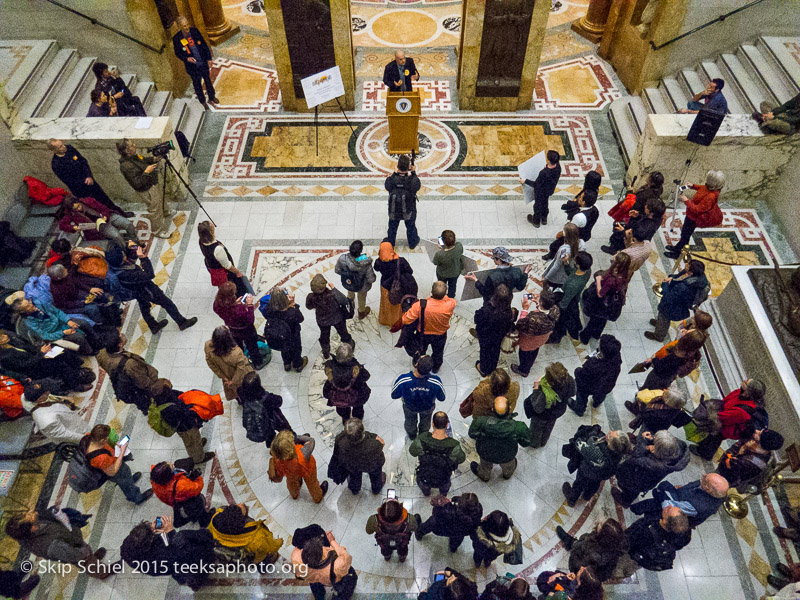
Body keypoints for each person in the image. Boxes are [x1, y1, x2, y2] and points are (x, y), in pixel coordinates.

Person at [107, 243, 197, 334]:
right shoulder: (125, 274)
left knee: (144, 307)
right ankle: (182, 322)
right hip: (146, 289)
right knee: (166, 303)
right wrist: (143, 258)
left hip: (137, 291)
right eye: (123, 257)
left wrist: (136, 248)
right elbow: (149, 275)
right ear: (120, 261)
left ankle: (153, 326)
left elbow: (130, 260)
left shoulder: (115, 267)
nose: (125, 256)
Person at [5, 508, 114, 579]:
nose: (33, 512)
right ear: (31, 528)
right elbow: (75, 555)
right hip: (75, 551)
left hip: (69, 539)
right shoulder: (49, 546)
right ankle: (102, 573)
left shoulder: (27, 531)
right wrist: (86, 553)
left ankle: (93, 560)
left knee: (86, 556)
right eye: (30, 516)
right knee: (85, 561)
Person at [120, 517, 216, 591]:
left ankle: (187, 582)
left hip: (165, 569)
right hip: (181, 565)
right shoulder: (162, 556)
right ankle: (196, 584)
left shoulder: (127, 545)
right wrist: (171, 532)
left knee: (180, 575)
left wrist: (151, 530)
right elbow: (181, 553)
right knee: (194, 574)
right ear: (150, 542)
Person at [48, 139, 132, 216]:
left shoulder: (69, 148)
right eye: (60, 147)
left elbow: (83, 162)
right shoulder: (56, 164)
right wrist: (84, 181)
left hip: (90, 182)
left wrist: (89, 176)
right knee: (94, 206)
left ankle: (120, 213)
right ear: (54, 150)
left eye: (63, 144)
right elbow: (69, 181)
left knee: (104, 199)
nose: (64, 147)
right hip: (80, 189)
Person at [691, 378, 768, 460]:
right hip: (726, 418)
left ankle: (705, 453)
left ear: (748, 391)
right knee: (713, 437)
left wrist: (709, 414)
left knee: (715, 438)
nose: (744, 380)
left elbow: (725, 418)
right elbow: (726, 401)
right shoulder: (740, 392)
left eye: (746, 382)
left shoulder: (744, 410)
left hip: (730, 428)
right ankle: (703, 448)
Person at [79, 423, 153, 504]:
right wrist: (122, 452)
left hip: (110, 462)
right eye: (107, 437)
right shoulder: (101, 458)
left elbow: (105, 446)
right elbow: (112, 472)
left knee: (126, 478)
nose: (108, 438)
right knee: (125, 483)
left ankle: (130, 480)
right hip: (113, 469)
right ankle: (137, 498)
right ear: (102, 440)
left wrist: (116, 444)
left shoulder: (88, 437)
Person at [612, 430, 689, 507]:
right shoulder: (676, 448)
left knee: (630, 489)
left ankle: (625, 501)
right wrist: (651, 438)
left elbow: (635, 456)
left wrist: (642, 441)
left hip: (637, 479)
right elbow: (665, 444)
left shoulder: (652, 464)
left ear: (657, 450)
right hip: (649, 480)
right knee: (635, 490)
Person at [0, 330, 93, 394]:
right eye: (1, 338)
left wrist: (41, 350)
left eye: (3, 334)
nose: (5, 336)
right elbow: (25, 365)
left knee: (59, 350)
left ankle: (77, 370)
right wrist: (41, 354)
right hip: (32, 370)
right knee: (59, 364)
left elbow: (30, 348)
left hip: (37, 359)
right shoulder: (4, 357)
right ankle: (76, 386)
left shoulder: (12, 342)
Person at [117, 138, 173, 239]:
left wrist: (153, 159)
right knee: (154, 209)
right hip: (146, 189)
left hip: (151, 182)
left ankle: (165, 211)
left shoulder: (134, 156)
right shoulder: (126, 166)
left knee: (160, 198)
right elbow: (137, 183)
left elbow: (143, 160)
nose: (135, 145)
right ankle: (157, 231)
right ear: (127, 151)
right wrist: (147, 172)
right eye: (132, 145)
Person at [562, 426, 631, 507]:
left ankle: (572, 499)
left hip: (586, 471)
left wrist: (590, 433)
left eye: (610, 436)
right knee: (593, 485)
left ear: (610, 444)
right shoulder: (623, 455)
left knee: (579, 483)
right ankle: (586, 496)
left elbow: (578, 443)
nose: (609, 431)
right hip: (601, 475)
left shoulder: (596, 452)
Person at [150, 379, 216, 464]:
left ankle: (198, 445)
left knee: (195, 438)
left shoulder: (165, 396)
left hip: (187, 424)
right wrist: (196, 410)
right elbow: (185, 414)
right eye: (166, 383)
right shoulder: (168, 408)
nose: (169, 381)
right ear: (165, 391)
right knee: (191, 442)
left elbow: (182, 395)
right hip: (185, 428)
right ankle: (198, 458)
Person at [630, 473, 729, 528]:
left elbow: (669, 506)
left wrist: (660, 492)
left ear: (708, 489)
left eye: (705, 479)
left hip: (670, 512)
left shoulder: (698, 505)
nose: (703, 476)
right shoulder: (714, 491)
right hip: (679, 499)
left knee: (652, 510)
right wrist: (683, 489)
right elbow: (693, 485)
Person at [664, 170, 725, 259]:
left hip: (694, 218)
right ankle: (677, 247)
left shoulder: (711, 197)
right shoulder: (710, 188)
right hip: (690, 215)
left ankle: (678, 254)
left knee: (685, 236)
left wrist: (686, 200)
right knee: (684, 234)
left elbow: (697, 210)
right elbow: (703, 188)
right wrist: (693, 186)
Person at [469, 396, 531, 481]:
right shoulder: (519, 427)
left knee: (485, 466)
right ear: (509, 408)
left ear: (492, 409)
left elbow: (472, 434)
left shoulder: (480, 421)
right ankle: (507, 474)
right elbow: (526, 442)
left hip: (486, 452)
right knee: (509, 466)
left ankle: (485, 476)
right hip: (507, 455)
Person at [645, 259, 710, 341]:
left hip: (673, 305)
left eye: (688, 265)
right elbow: (679, 278)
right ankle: (659, 324)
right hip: (680, 301)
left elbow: (668, 296)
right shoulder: (699, 277)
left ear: (691, 272)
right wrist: (672, 278)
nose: (686, 264)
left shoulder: (684, 287)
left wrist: (665, 284)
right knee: (663, 318)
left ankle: (659, 335)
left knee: (664, 316)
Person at [97, 330, 160, 414]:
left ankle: (144, 409)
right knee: (146, 401)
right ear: (119, 344)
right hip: (136, 389)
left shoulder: (101, 353)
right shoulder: (130, 364)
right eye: (121, 335)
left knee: (139, 402)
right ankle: (149, 410)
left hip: (125, 386)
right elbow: (144, 382)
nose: (123, 335)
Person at [11, 297, 98, 356]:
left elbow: (57, 312)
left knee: (83, 323)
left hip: (62, 322)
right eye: (28, 306)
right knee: (78, 337)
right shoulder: (30, 323)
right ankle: (89, 352)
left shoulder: (39, 303)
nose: (32, 304)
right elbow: (45, 336)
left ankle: (95, 340)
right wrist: (63, 332)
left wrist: (68, 321)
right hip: (56, 334)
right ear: (23, 311)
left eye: (29, 302)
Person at [402, 281, 456, 373]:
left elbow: (405, 319)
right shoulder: (450, 304)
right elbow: (449, 299)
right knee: (438, 352)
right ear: (445, 293)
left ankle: (419, 363)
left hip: (423, 334)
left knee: (421, 350)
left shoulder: (420, 305)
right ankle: (435, 367)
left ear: (431, 291)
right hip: (440, 334)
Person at [604, 174, 665, 254]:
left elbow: (634, 234)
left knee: (618, 226)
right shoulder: (655, 216)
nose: (645, 206)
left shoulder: (646, 225)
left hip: (633, 232)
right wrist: (639, 214)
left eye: (646, 207)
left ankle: (614, 248)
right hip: (637, 218)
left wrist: (623, 231)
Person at [213, 280, 268, 369]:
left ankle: (241, 358)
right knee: (252, 346)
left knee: (238, 345)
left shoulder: (216, 305)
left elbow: (228, 312)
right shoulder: (239, 310)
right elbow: (250, 320)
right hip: (247, 331)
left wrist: (236, 303)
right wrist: (249, 305)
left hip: (232, 330)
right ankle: (257, 362)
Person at [579, 252, 631, 344]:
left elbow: (600, 293)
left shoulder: (611, 280)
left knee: (594, 320)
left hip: (601, 303)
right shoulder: (625, 274)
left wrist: (598, 280)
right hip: (611, 304)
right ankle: (596, 334)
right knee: (602, 321)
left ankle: (585, 336)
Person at [409, 411, 465, 496]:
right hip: (443, 477)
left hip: (425, 475)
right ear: (446, 425)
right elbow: (461, 459)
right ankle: (443, 494)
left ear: (432, 424)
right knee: (444, 487)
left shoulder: (422, 438)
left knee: (424, 485)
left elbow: (412, 452)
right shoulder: (454, 445)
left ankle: (426, 493)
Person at [555, 518, 628, 582]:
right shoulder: (614, 545)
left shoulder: (593, 551)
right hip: (589, 565)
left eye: (603, 524)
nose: (601, 521)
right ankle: (571, 542)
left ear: (602, 534)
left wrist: (578, 574)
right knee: (577, 544)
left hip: (578, 567)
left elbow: (579, 559)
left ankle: (569, 543)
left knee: (575, 546)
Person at [291, 530, 357, 600]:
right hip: (332, 578)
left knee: (315, 585)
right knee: (351, 576)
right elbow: (346, 556)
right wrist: (332, 541)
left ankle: (319, 597)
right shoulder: (338, 565)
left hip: (313, 577)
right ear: (321, 552)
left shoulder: (295, 557)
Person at [47, 264, 120, 326]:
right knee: (92, 308)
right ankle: (102, 324)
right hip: (69, 306)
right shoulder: (57, 290)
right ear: (59, 278)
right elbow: (66, 304)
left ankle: (114, 312)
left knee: (99, 294)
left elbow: (76, 281)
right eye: (64, 271)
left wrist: (90, 289)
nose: (66, 270)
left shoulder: (65, 275)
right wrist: (83, 303)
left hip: (76, 294)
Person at [391, 355, 446, 439]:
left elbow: (394, 395)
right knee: (425, 423)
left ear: (416, 364)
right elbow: (442, 398)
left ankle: (412, 436)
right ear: (430, 370)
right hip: (427, 408)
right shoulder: (436, 382)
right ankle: (423, 436)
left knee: (410, 422)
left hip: (409, 407)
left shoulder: (403, 380)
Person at [208, 503, 283, 564]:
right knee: (264, 560)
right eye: (240, 510)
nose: (240, 504)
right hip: (248, 557)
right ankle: (263, 568)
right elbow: (265, 551)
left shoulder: (215, 518)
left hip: (230, 551)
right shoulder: (258, 537)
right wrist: (279, 542)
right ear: (242, 522)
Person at [523, 362, 575, 448]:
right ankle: (543, 442)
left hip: (542, 415)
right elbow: (573, 393)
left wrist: (536, 388)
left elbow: (537, 408)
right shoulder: (570, 381)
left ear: (551, 383)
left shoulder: (544, 393)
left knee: (536, 430)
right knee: (549, 427)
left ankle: (534, 444)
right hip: (557, 411)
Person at [569, 334, 622, 416]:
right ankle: (596, 402)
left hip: (587, 386)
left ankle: (579, 409)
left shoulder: (593, 365)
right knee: (600, 395)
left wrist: (577, 370)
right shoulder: (616, 360)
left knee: (581, 397)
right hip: (605, 387)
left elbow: (580, 374)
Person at [269, 430, 328, 503]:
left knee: (291, 481)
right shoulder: (303, 453)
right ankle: (317, 497)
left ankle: (294, 494)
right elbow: (311, 440)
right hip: (306, 470)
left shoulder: (276, 455)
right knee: (312, 483)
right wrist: (298, 437)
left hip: (289, 472)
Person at [625, 506, 691, 571]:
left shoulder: (645, 526)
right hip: (647, 558)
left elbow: (627, 539)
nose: (670, 505)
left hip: (632, 555)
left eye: (668, 510)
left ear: (665, 520)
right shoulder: (684, 533)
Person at [511, 289, 559, 377]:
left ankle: (523, 370)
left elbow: (520, 325)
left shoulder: (534, 318)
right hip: (542, 338)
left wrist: (525, 310)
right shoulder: (555, 309)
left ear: (541, 302)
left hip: (529, 341)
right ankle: (528, 364)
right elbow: (546, 315)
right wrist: (539, 306)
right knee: (534, 351)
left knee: (524, 354)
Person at [172, 16, 218, 109]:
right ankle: (202, 101)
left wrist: (209, 58)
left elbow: (204, 45)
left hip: (202, 61)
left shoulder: (194, 31)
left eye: (187, 24)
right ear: (180, 27)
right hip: (192, 67)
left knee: (207, 80)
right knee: (197, 84)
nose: (187, 27)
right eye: (184, 26)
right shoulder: (177, 39)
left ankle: (212, 96)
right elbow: (178, 53)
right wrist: (186, 59)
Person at [58, 196, 138, 249]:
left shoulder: (89, 200)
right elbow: (62, 225)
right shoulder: (70, 214)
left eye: (78, 206)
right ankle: (126, 249)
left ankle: (134, 239)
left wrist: (105, 215)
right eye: (75, 209)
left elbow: (103, 207)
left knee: (127, 223)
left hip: (108, 217)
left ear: (79, 201)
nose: (78, 209)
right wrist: (73, 227)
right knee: (116, 235)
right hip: (97, 227)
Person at [305, 274, 355, 359]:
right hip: (337, 318)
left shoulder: (311, 297)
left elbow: (308, 306)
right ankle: (348, 344)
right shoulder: (333, 294)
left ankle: (326, 352)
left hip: (322, 321)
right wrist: (334, 289)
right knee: (343, 332)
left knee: (324, 336)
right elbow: (344, 300)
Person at [150, 461, 212, 528]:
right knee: (197, 508)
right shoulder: (180, 485)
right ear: (169, 476)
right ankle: (204, 521)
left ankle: (187, 519)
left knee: (183, 508)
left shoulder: (155, 478)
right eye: (171, 466)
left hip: (171, 500)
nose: (172, 464)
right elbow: (198, 487)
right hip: (186, 499)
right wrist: (197, 477)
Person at [332, 417, 386, 495]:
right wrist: (372, 436)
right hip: (372, 466)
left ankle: (355, 489)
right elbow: (382, 443)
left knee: (354, 476)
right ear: (363, 432)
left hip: (351, 465)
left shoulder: (340, 440)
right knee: (376, 476)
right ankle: (376, 489)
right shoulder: (374, 445)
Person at [717, 428, 783, 490]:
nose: (756, 431)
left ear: (762, 444)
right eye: (760, 431)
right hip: (729, 467)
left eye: (759, 434)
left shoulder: (753, 463)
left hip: (726, 477)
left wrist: (733, 453)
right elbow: (737, 445)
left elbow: (727, 462)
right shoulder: (754, 442)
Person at [260, 286, 308, 372]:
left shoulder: (268, 309)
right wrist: (293, 304)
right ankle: (298, 365)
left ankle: (287, 364)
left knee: (284, 350)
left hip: (279, 336)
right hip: (293, 335)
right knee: (296, 349)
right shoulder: (291, 312)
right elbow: (301, 319)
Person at [198, 220, 252, 296]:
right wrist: (237, 272)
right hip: (225, 271)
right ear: (210, 232)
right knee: (236, 285)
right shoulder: (217, 249)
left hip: (211, 265)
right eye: (210, 224)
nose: (212, 223)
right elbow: (227, 265)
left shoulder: (201, 241)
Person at [415, 492, 483, 553]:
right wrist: (453, 499)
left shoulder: (448, 511)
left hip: (443, 529)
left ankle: (419, 532)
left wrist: (439, 504)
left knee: (432, 521)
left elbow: (436, 514)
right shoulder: (478, 510)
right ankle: (453, 548)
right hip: (461, 532)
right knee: (457, 539)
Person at [639, 329, 706, 390]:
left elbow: (660, 367)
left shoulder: (675, 357)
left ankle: (639, 399)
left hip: (658, 377)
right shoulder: (693, 354)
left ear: (685, 340)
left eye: (686, 332)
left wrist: (653, 359)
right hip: (669, 377)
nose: (684, 331)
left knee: (647, 389)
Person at [550, 251, 593, 345]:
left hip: (567, 300)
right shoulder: (587, 271)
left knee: (560, 322)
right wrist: (566, 264)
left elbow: (565, 302)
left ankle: (557, 337)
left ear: (578, 265)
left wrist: (557, 309)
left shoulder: (573, 284)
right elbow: (572, 273)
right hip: (574, 297)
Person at [20, 383, 86, 445]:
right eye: (46, 393)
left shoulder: (32, 398)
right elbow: (66, 435)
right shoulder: (46, 420)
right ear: (40, 399)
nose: (48, 392)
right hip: (77, 436)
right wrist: (87, 438)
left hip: (72, 421)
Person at [238, 370, 291, 447]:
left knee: (269, 435)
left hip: (262, 423)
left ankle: (272, 447)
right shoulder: (266, 398)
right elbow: (279, 401)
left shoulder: (241, 392)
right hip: (274, 419)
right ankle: (295, 441)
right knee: (287, 431)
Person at [474, 284, 516, 376]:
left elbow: (477, 319)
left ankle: (484, 369)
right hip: (498, 335)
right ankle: (493, 367)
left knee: (485, 351)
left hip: (485, 335)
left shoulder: (487, 310)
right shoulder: (509, 311)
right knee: (495, 350)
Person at [464, 246, 530, 305]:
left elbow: (485, 292)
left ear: (498, 260)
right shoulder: (516, 271)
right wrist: (525, 274)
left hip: (491, 303)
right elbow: (520, 287)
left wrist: (476, 280)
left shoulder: (492, 275)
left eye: (494, 258)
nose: (493, 260)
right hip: (506, 301)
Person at [205, 325, 254, 403]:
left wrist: (223, 376)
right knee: (246, 390)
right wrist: (233, 381)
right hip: (240, 378)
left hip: (227, 376)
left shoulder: (208, 345)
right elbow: (242, 368)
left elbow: (210, 362)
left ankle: (240, 401)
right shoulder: (236, 352)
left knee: (235, 392)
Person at [323, 343, 371, 424]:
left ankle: (346, 420)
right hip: (356, 396)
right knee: (358, 408)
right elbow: (366, 376)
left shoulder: (330, 367)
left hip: (338, 397)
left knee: (343, 410)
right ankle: (357, 421)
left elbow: (327, 390)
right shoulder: (356, 369)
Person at [374, 241, 416, 326]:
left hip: (385, 286)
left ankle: (385, 320)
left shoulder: (379, 262)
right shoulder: (401, 261)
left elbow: (376, 268)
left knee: (385, 304)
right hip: (398, 286)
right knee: (396, 303)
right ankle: (396, 321)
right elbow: (410, 271)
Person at [365, 498, 419, 562]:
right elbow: (415, 528)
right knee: (403, 551)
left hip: (384, 542)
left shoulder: (374, 520)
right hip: (402, 543)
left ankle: (387, 557)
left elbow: (368, 531)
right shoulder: (410, 520)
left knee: (385, 551)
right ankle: (402, 559)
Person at [385, 155, 421, 248]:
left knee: (392, 227)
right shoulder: (412, 181)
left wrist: (394, 173)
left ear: (397, 166)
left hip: (394, 209)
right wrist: (413, 172)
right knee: (411, 226)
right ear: (409, 167)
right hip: (409, 209)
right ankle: (412, 243)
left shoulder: (391, 180)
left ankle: (390, 243)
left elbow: (387, 186)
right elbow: (417, 185)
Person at [335, 240, 376, 320]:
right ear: (360, 251)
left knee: (350, 291)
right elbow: (371, 279)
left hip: (349, 283)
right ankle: (361, 312)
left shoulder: (343, 258)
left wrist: (348, 275)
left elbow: (337, 270)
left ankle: (350, 303)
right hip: (362, 286)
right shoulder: (365, 261)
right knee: (361, 298)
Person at [521, 150, 562, 227]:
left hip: (540, 191)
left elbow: (536, 184)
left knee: (537, 205)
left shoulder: (544, 173)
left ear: (549, 160)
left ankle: (536, 221)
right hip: (549, 190)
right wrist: (547, 167)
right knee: (545, 203)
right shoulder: (558, 168)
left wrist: (525, 181)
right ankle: (544, 218)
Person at [543, 223, 586, 289]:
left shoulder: (564, 250)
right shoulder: (582, 243)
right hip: (569, 273)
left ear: (566, 234)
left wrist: (546, 277)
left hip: (558, 276)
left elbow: (556, 266)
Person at [534, 567, 602, 600]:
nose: (581, 567)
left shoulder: (563, 596)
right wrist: (564, 577)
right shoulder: (594, 593)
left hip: (558, 593)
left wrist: (552, 593)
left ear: (580, 582)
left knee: (543, 585)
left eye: (581, 571)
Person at [433, 229, 464, 298]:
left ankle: (441, 296)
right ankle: (451, 297)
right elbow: (452, 248)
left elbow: (435, 262)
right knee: (452, 285)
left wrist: (441, 248)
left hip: (442, 274)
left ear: (444, 242)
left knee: (441, 285)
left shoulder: (439, 254)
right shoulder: (459, 246)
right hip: (455, 272)